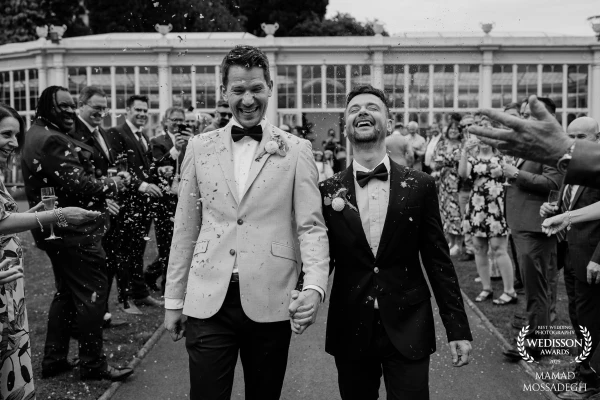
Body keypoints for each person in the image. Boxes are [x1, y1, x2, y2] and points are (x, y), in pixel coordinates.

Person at [163, 45, 329, 400]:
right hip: (208, 299)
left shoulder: (296, 149)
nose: (248, 99)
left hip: (272, 296)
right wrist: (174, 300)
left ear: (270, 87)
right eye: (238, 90)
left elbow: (311, 227)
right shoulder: (198, 147)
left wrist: (314, 287)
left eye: (256, 88)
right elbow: (185, 228)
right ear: (224, 92)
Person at [308, 85, 472, 400]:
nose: (363, 112)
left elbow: (438, 261)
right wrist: (307, 292)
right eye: (354, 109)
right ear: (345, 127)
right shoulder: (327, 189)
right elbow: (320, 256)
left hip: (409, 321)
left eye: (372, 107)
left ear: (390, 122)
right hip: (351, 324)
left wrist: (458, 329)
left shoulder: (421, 185)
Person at [21, 87, 133, 381]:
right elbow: (79, 184)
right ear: (47, 106)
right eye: (65, 106)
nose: (70, 112)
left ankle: (55, 359)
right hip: (74, 233)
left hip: (56, 231)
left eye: (72, 106)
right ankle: (93, 364)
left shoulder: (39, 132)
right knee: (93, 296)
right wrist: (113, 184)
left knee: (67, 296)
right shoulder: (51, 139)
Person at [539, 117, 600, 400]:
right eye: (571, 135)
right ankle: (583, 369)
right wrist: (551, 210)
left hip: (592, 256)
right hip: (570, 252)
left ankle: (589, 381)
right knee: (577, 314)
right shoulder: (572, 167)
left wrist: (599, 258)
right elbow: (568, 205)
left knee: (590, 317)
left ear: (597, 138)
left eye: (582, 136)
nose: (575, 140)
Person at [500, 97, 562, 362]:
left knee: (537, 290)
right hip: (520, 223)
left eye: (530, 114)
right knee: (531, 288)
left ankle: (533, 345)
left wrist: (515, 174)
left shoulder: (552, 146)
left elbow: (553, 183)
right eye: (523, 114)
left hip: (535, 227)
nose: (524, 119)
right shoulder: (528, 144)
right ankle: (532, 340)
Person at [72, 86, 129, 329]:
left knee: (110, 264)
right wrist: (104, 199)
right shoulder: (73, 134)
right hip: (90, 214)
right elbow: (79, 179)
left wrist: (119, 180)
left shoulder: (103, 133)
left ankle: (102, 313)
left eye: (104, 108)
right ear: (81, 105)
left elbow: (106, 169)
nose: (101, 112)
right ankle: (91, 321)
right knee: (93, 273)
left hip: (109, 210)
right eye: (96, 108)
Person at [106, 95, 164, 315]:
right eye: (138, 109)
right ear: (127, 110)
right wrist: (142, 186)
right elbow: (119, 166)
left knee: (137, 251)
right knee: (122, 253)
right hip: (126, 206)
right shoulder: (116, 133)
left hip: (143, 207)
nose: (142, 113)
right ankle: (125, 299)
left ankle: (139, 294)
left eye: (145, 110)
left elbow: (147, 169)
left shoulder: (144, 137)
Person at [458, 134, 516, 304]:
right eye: (480, 138)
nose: (483, 140)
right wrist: (464, 152)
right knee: (478, 248)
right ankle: (486, 288)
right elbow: (463, 175)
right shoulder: (472, 158)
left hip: (496, 206)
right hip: (477, 206)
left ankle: (509, 291)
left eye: (486, 137)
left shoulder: (501, 157)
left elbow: (511, 177)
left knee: (499, 248)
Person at [145, 107, 191, 293]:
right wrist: (176, 149)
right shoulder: (156, 142)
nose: (177, 123)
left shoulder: (191, 142)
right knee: (165, 245)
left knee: (183, 243)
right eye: (174, 120)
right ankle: (167, 287)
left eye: (181, 120)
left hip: (186, 199)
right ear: (165, 121)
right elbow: (157, 168)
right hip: (164, 202)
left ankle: (154, 275)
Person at [432, 119, 464, 256]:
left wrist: (444, 161)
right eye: (451, 129)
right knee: (445, 212)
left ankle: (459, 244)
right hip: (443, 182)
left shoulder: (462, 146)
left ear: (460, 132)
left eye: (456, 129)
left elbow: (457, 160)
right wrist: (443, 162)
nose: (453, 131)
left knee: (456, 213)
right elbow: (434, 161)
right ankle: (451, 241)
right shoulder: (441, 144)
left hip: (457, 183)